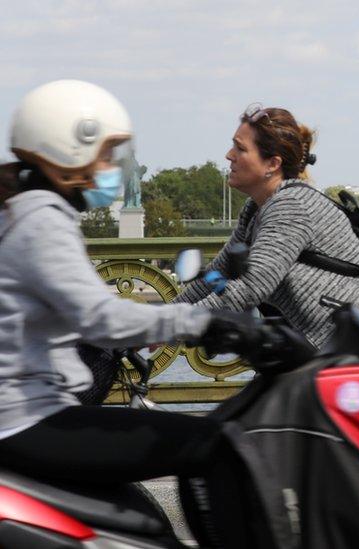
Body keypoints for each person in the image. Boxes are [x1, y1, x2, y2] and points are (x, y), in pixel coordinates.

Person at [0, 80, 270, 547]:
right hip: (27, 419)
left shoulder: (25, 211)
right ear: (69, 152)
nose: (111, 169)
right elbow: (101, 319)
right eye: (106, 155)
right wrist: (203, 322)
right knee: (216, 444)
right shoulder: (42, 220)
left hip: (28, 414)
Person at [173, 103, 359, 346]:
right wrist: (162, 317)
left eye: (240, 149)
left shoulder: (291, 206)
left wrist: (171, 326)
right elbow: (220, 271)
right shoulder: (256, 209)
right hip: (326, 349)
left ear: (272, 164)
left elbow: (251, 286)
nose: (229, 155)